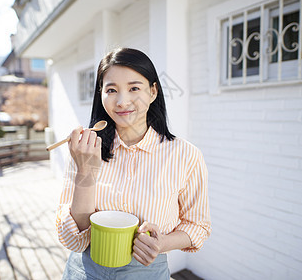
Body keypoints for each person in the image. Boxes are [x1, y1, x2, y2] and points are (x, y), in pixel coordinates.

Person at [56, 48, 211, 279]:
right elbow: (74, 238)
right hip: (84, 270)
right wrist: (85, 172)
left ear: (153, 91)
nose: (122, 101)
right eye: (111, 90)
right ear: (101, 95)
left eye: (134, 88)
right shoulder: (86, 149)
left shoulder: (186, 155)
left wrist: (162, 243)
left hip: (146, 271)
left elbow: (198, 225)